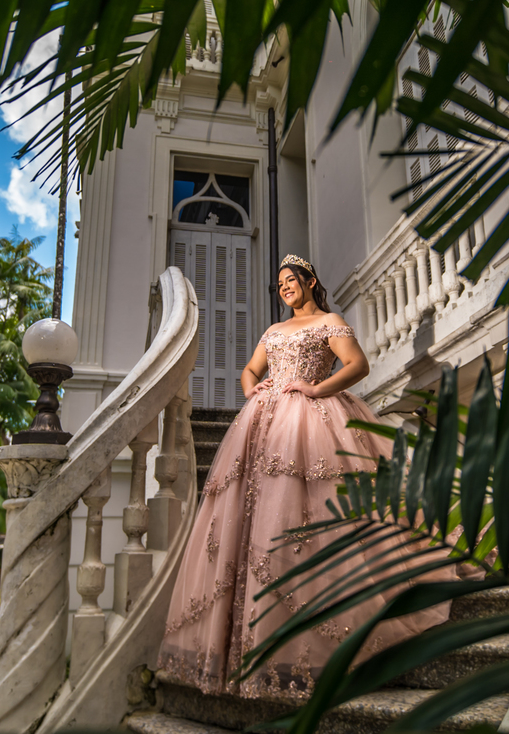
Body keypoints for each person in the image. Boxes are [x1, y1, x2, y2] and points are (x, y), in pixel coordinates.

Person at [157, 255, 452, 700]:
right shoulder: (273, 331)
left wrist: (315, 389)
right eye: (279, 284)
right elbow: (251, 369)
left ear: (310, 281)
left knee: (302, 511)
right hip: (261, 421)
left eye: (290, 280)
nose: (284, 288)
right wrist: (249, 388)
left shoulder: (330, 320)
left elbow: (357, 365)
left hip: (309, 417)